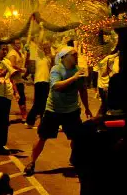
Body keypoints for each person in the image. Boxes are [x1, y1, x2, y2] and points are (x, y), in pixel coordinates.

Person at [24, 47, 92, 175]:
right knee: (42, 137)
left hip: (72, 110)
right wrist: (74, 78)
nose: (77, 57)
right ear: (65, 56)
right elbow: (56, 86)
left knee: (77, 137)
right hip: (54, 110)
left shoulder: (78, 71)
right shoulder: (56, 69)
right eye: (74, 54)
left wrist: (87, 107)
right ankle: (31, 162)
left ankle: (75, 159)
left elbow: (82, 90)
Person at [26, 41, 52, 128]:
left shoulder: (49, 58)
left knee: (44, 103)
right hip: (39, 81)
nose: (47, 49)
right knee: (38, 102)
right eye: (46, 47)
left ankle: (41, 122)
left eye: (48, 47)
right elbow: (30, 67)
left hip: (46, 81)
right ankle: (30, 120)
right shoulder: (38, 57)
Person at [7, 38, 28, 120]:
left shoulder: (20, 52)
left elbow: (24, 61)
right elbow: (13, 65)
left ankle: (24, 114)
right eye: (17, 43)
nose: (19, 45)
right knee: (19, 97)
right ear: (13, 45)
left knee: (22, 97)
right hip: (14, 79)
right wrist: (21, 69)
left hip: (20, 79)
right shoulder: (12, 54)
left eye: (19, 43)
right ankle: (24, 116)